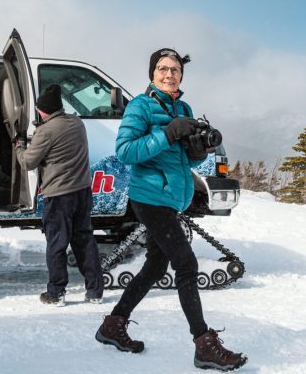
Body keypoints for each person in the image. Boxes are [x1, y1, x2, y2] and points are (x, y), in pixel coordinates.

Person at [95, 49, 247, 371]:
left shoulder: (184, 108)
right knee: (186, 264)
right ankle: (203, 344)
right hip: (150, 197)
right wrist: (167, 133)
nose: (169, 74)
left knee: (154, 266)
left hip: (171, 198)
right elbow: (125, 152)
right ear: (152, 74)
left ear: (181, 75)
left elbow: (184, 160)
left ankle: (113, 325)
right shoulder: (140, 106)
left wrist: (196, 149)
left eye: (175, 70)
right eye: (162, 69)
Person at [15, 84, 104, 306]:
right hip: (82, 191)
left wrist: (19, 145)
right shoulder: (76, 122)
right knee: (84, 240)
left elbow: (28, 161)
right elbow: (60, 139)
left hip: (59, 195)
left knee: (57, 244)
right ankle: (95, 291)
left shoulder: (45, 131)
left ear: (43, 110)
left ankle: (56, 293)